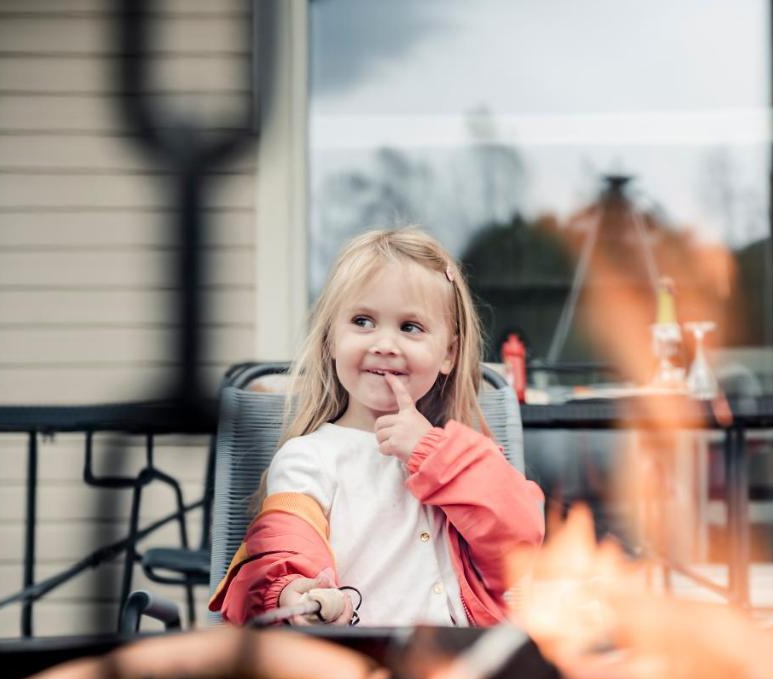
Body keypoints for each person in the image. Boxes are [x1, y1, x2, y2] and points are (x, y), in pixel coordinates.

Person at [209, 228, 545, 627]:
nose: (385, 343)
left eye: (410, 327)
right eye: (363, 321)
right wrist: (292, 591)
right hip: (358, 660)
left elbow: (520, 539)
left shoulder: (460, 456)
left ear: (448, 354)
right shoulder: (310, 458)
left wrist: (430, 452)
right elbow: (286, 542)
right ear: (331, 339)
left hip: (458, 666)